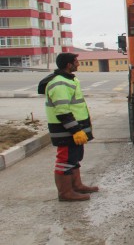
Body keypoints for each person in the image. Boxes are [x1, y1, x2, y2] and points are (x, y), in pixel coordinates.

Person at [39, 53, 98, 201]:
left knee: (74, 158)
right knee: (65, 160)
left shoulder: (69, 80)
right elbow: (62, 111)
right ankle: (65, 193)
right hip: (66, 130)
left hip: (75, 128)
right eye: (75, 61)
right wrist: (75, 130)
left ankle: (77, 186)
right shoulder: (59, 84)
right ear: (68, 65)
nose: (78, 63)